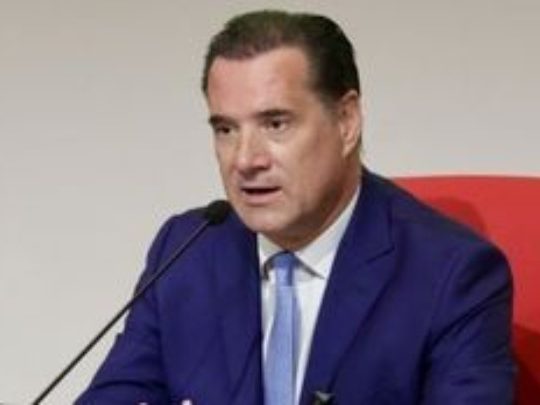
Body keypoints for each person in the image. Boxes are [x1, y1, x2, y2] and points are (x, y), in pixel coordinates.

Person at [77, 10, 515, 404]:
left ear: (346, 121)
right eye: (226, 129)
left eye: (275, 124)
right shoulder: (185, 251)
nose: (245, 159)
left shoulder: (451, 275)